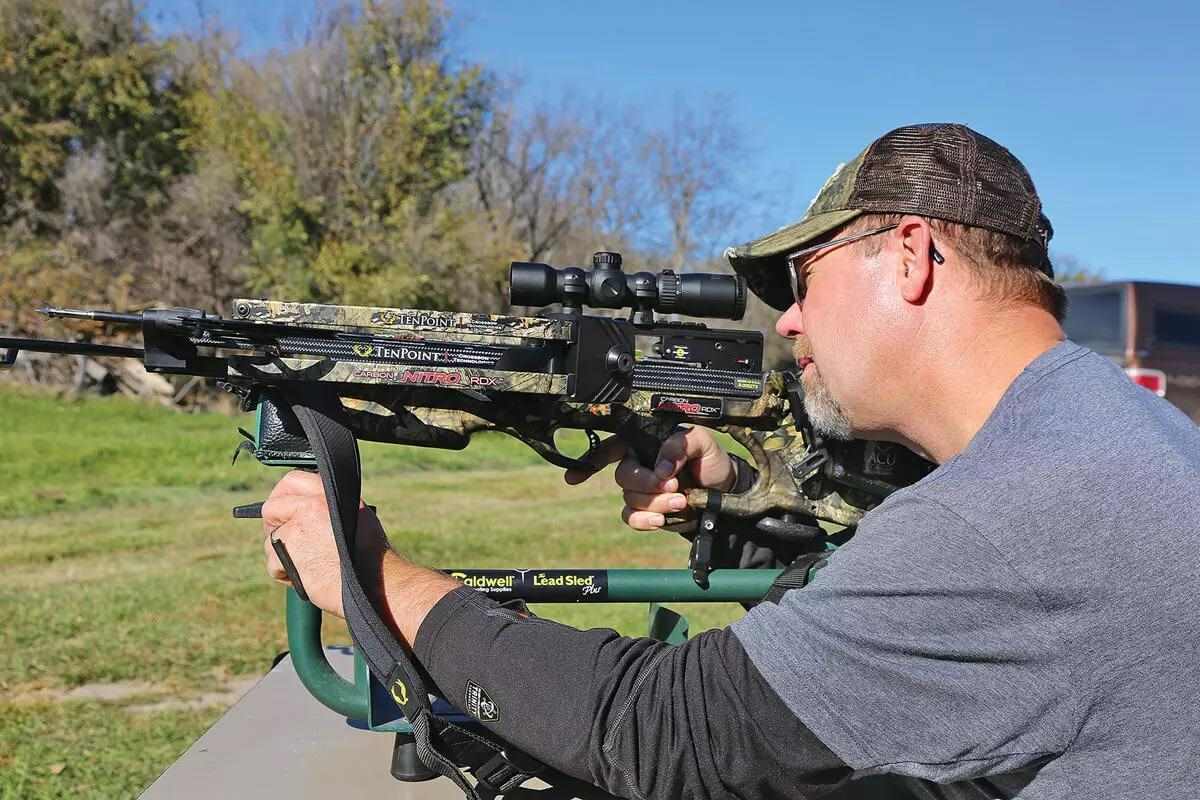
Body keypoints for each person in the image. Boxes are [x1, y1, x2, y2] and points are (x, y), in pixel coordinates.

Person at [262, 123, 1200, 799]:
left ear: (909, 256)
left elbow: (664, 734)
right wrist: (738, 488)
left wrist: (369, 576)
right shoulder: (1119, 434)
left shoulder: (1004, 515)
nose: (789, 321)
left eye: (804, 281)